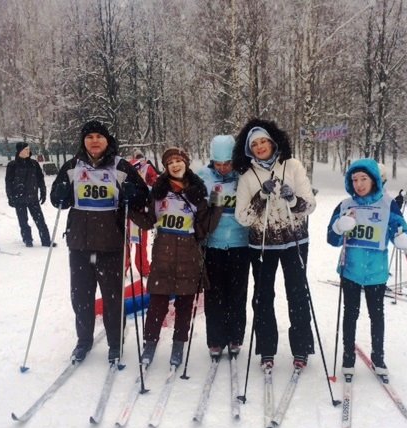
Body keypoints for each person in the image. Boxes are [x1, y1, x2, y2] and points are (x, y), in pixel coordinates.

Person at [50, 121, 148, 364]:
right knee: (81, 297)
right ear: (84, 141)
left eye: (99, 137)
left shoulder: (120, 166)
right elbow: (56, 200)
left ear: (107, 141)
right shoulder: (73, 166)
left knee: (112, 297)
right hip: (79, 245)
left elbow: (142, 196)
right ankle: (83, 340)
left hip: (110, 245)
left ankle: (115, 343)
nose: (94, 141)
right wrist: (62, 192)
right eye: (90, 136)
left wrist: (131, 194)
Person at [232, 118, 316, 369]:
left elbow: (310, 206)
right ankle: (266, 349)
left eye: (263, 141)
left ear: (273, 142)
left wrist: (292, 198)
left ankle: (301, 348)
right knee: (262, 297)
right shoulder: (247, 177)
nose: (259, 147)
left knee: (298, 295)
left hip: (295, 242)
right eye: (254, 144)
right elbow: (243, 217)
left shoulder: (293, 166)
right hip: (263, 246)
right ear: (249, 149)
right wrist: (261, 197)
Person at [327, 158, 407, 375]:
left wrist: (402, 237)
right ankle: (347, 357)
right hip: (350, 269)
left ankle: (378, 357)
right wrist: (339, 226)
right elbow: (331, 238)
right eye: (354, 179)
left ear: (374, 180)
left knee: (377, 315)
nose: (359, 184)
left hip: (376, 271)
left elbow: (398, 228)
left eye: (364, 179)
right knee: (350, 314)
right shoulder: (345, 205)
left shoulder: (387, 203)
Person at [131, 147, 210, 367]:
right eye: (170, 162)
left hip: (188, 253)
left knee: (185, 303)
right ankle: (150, 343)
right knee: (158, 302)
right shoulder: (158, 191)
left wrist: (218, 206)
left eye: (178, 160)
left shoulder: (197, 190)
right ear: (166, 167)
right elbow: (148, 221)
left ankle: (178, 344)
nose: (175, 165)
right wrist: (131, 208)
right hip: (163, 252)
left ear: (185, 162)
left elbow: (204, 228)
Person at [197, 135, 250, 360]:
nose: (223, 168)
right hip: (214, 244)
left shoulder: (244, 177)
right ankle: (216, 339)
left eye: (227, 163)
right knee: (214, 294)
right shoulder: (203, 177)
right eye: (218, 164)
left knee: (237, 294)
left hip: (240, 243)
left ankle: (235, 337)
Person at [5, 142, 54, 247]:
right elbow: (8, 182)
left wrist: (43, 191)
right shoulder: (12, 165)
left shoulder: (34, 163)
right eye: (26, 149)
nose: (28, 151)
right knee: (23, 221)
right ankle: (28, 240)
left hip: (33, 197)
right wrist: (10, 197)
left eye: (28, 149)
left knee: (40, 220)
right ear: (20, 151)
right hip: (19, 198)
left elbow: (40, 178)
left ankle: (46, 241)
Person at [125, 148, 158, 277]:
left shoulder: (140, 167)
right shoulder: (144, 167)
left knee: (129, 243)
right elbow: (155, 184)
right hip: (137, 210)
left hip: (134, 210)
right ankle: (142, 268)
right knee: (137, 243)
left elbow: (155, 183)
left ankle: (127, 268)